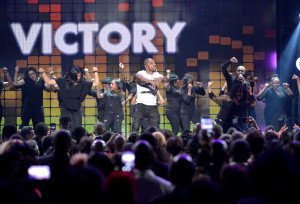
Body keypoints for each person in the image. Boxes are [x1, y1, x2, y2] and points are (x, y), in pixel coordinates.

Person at [39, 65, 99, 130]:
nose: (78, 77)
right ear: (72, 75)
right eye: (77, 76)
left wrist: (95, 71)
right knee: (66, 127)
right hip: (65, 108)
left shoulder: (82, 82)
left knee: (77, 127)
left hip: (76, 108)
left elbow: (96, 83)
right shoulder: (63, 80)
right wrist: (43, 73)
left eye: (79, 76)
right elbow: (49, 81)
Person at [131, 58, 168, 132]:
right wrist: (150, 81)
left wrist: (160, 79)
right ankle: (133, 142)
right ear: (146, 66)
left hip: (153, 106)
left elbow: (166, 79)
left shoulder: (156, 74)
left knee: (156, 129)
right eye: (151, 63)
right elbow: (138, 77)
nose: (154, 64)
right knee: (135, 128)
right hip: (141, 106)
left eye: (154, 63)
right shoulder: (141, 73)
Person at [164, 70, 182, 135]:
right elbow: (166, 85)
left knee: (184, 128)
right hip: (171, 111)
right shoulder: (170, 88)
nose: (178, 81)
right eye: (176, 81)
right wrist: (168, 74)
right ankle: (169, 142)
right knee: (175, 130)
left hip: (178, 111)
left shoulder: (178, 87)